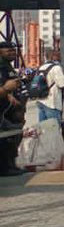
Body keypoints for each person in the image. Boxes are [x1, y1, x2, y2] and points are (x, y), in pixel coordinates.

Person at [0, 40, 26, 175]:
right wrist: (8, 93)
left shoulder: (8, 66)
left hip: (12, 109)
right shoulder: (1, 65)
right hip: (5, 110)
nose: (12, 53)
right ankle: (6, 168)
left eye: (13, 50)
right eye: (8, 51)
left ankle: (11, 164)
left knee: (14, 135)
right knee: (6, 138)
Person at [37, 51, 64, 137]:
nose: (60, 58)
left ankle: (44, 149)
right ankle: (53, 150)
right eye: (58, 56)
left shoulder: (40, 67)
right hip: (52, 103)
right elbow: (63, 83)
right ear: (53, 56)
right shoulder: (56, 68)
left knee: (43, 131)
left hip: (41, 101)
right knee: (53, 132)